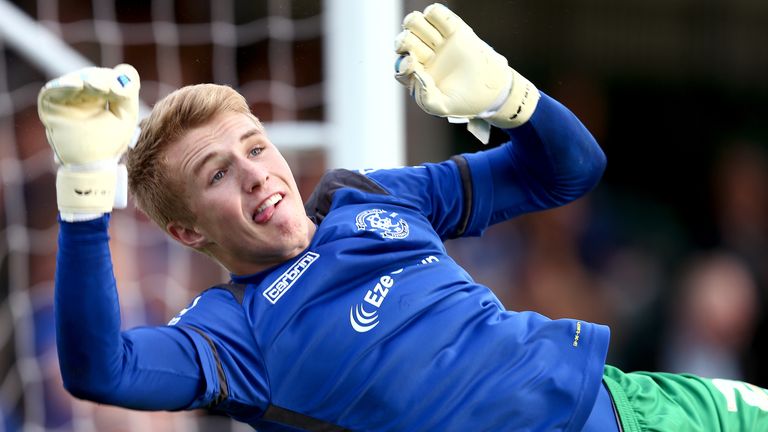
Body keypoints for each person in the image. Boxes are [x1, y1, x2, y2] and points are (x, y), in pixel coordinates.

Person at [37, 3, 768, 431]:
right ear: (186, 233)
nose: (257, 172)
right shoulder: (231, 334)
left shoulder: (373, 198)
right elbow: (101, 369)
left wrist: (510, 97)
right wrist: (83, 188)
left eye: (255, 147)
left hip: (637, 405)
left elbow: (571, 170)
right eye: (218, 173)